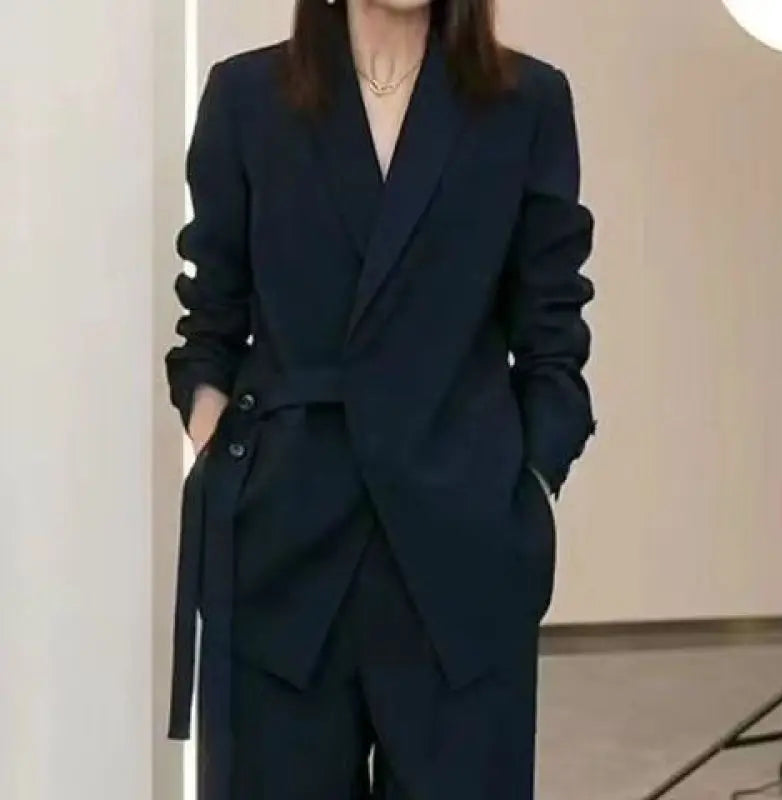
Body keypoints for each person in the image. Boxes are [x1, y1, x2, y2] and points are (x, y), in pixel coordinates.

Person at [164, 0, 596, 797]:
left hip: (462, 545)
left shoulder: (526, 101)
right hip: (281, 543)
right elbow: (211, 317)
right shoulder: (247, 96)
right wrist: (225, 457)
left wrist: (530, 482)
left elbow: (553, 327)